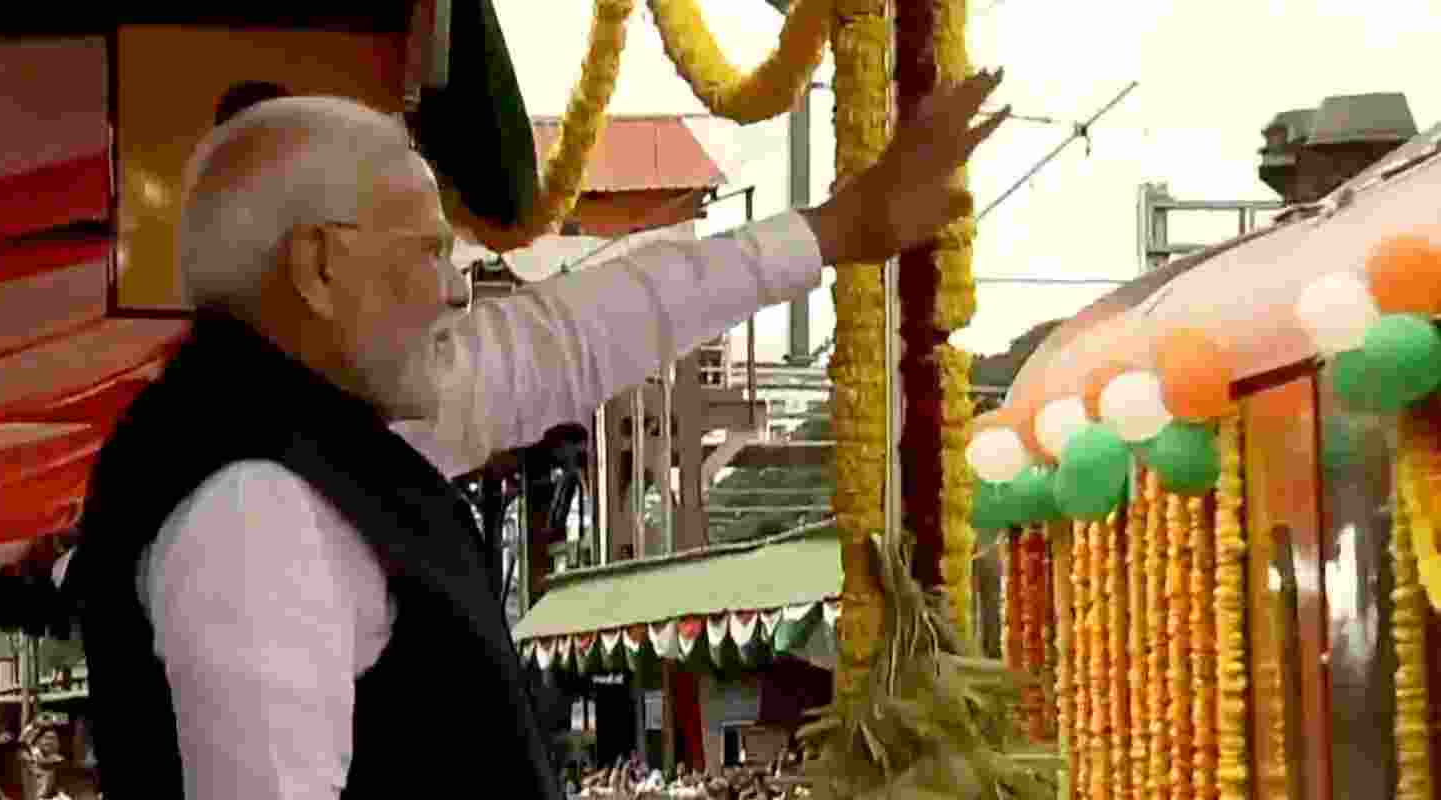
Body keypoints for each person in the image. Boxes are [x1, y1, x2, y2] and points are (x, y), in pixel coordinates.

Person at [66, 63, 1006, 799]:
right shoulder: (251, 508)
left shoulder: (322, 428)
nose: (451, 287)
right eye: (429, 251)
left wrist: (833, 232)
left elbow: (567, 337)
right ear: (318, 265)